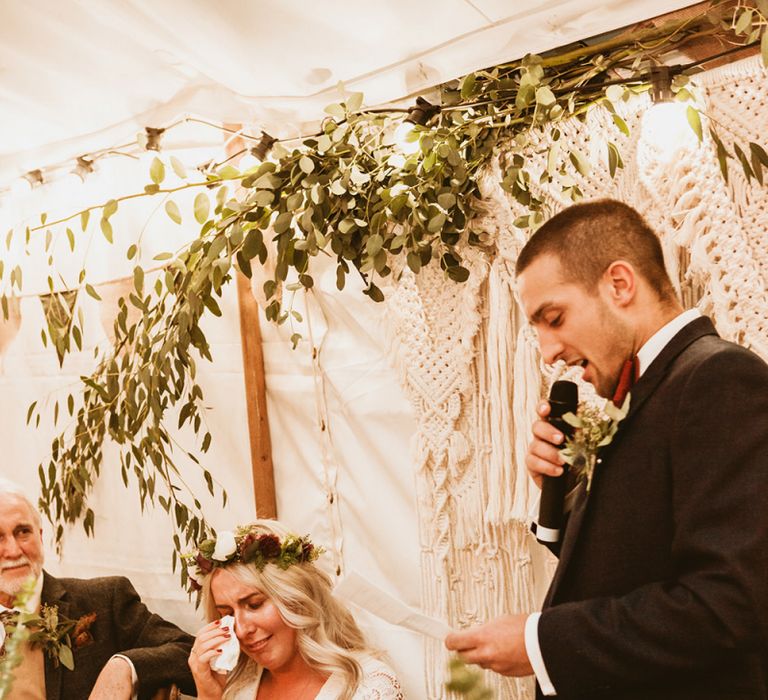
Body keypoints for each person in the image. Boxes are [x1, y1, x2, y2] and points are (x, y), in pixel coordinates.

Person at [445, 199, 768, 698]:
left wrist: (540, 642)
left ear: (619, 285)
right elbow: (633, 563)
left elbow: (727, 605)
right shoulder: (648, 390)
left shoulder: (719, 379)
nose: (548, 351)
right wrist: (566, 496)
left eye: (553, 318)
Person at [0, 478, 196, 700]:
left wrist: (126, 666)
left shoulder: (104, 600)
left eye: (23, 531)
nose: (13, 550)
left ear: (41, 536)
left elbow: (190, 653)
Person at [185, 519, 404, 700]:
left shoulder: (368, 686)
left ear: (297, 598)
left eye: (254, 605)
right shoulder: (236, 688)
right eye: (228, 614)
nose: (241, 630)